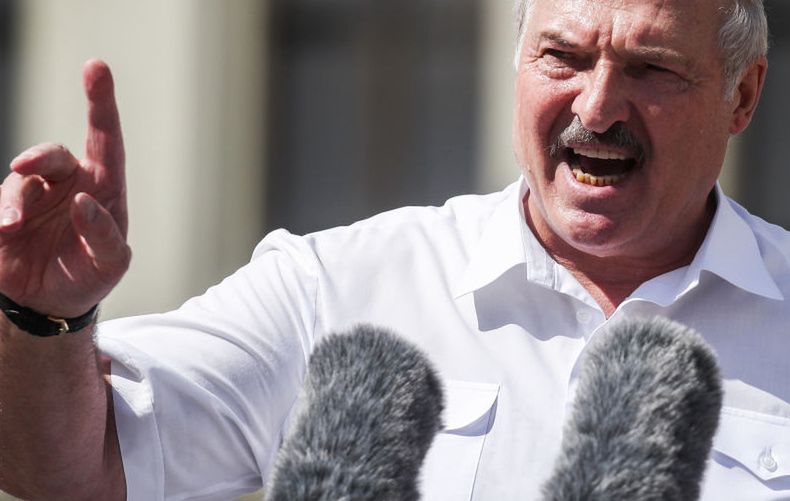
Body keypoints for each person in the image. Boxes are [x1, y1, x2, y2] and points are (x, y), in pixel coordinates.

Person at [1, 0, 788, 499]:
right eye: (564, 56)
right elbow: (72, 468)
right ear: (518, 63)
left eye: (651, 67)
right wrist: (42, 320)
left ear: (742, 95)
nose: (598, 104)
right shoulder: (336, 288)